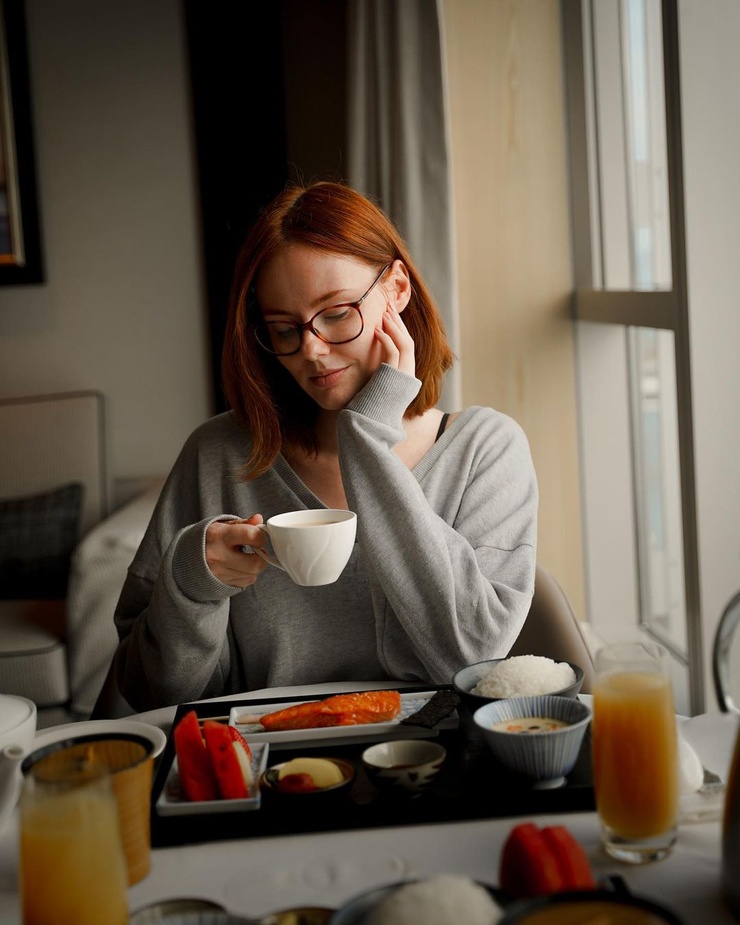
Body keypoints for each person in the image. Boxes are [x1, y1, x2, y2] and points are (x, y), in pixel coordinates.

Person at [113, 180, 538, 712]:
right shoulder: (218, 453)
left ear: (398, 289)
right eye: (284, 329)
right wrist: (193, 581)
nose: (311, 351)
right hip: (262, 771)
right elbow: (148, 691)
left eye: (336, 314)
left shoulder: (485, 449)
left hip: (433, 768)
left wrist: (367, 437)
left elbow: (469, 657)